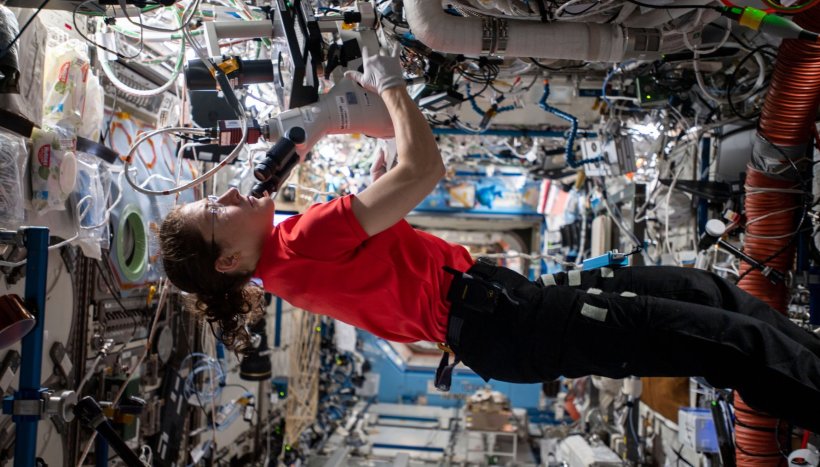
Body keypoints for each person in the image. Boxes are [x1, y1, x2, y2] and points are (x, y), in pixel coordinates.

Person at [159, 47, 820, 432]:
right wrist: (389, 81)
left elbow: (393, 171)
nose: (229, 195)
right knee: (722, 341)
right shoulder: (296, 242)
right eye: (216, 212)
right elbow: (424, 170)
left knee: (701, 290)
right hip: (506, 321)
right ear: (229, 258)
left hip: (503, 309)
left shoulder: (285, 260)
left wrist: (339, 121)